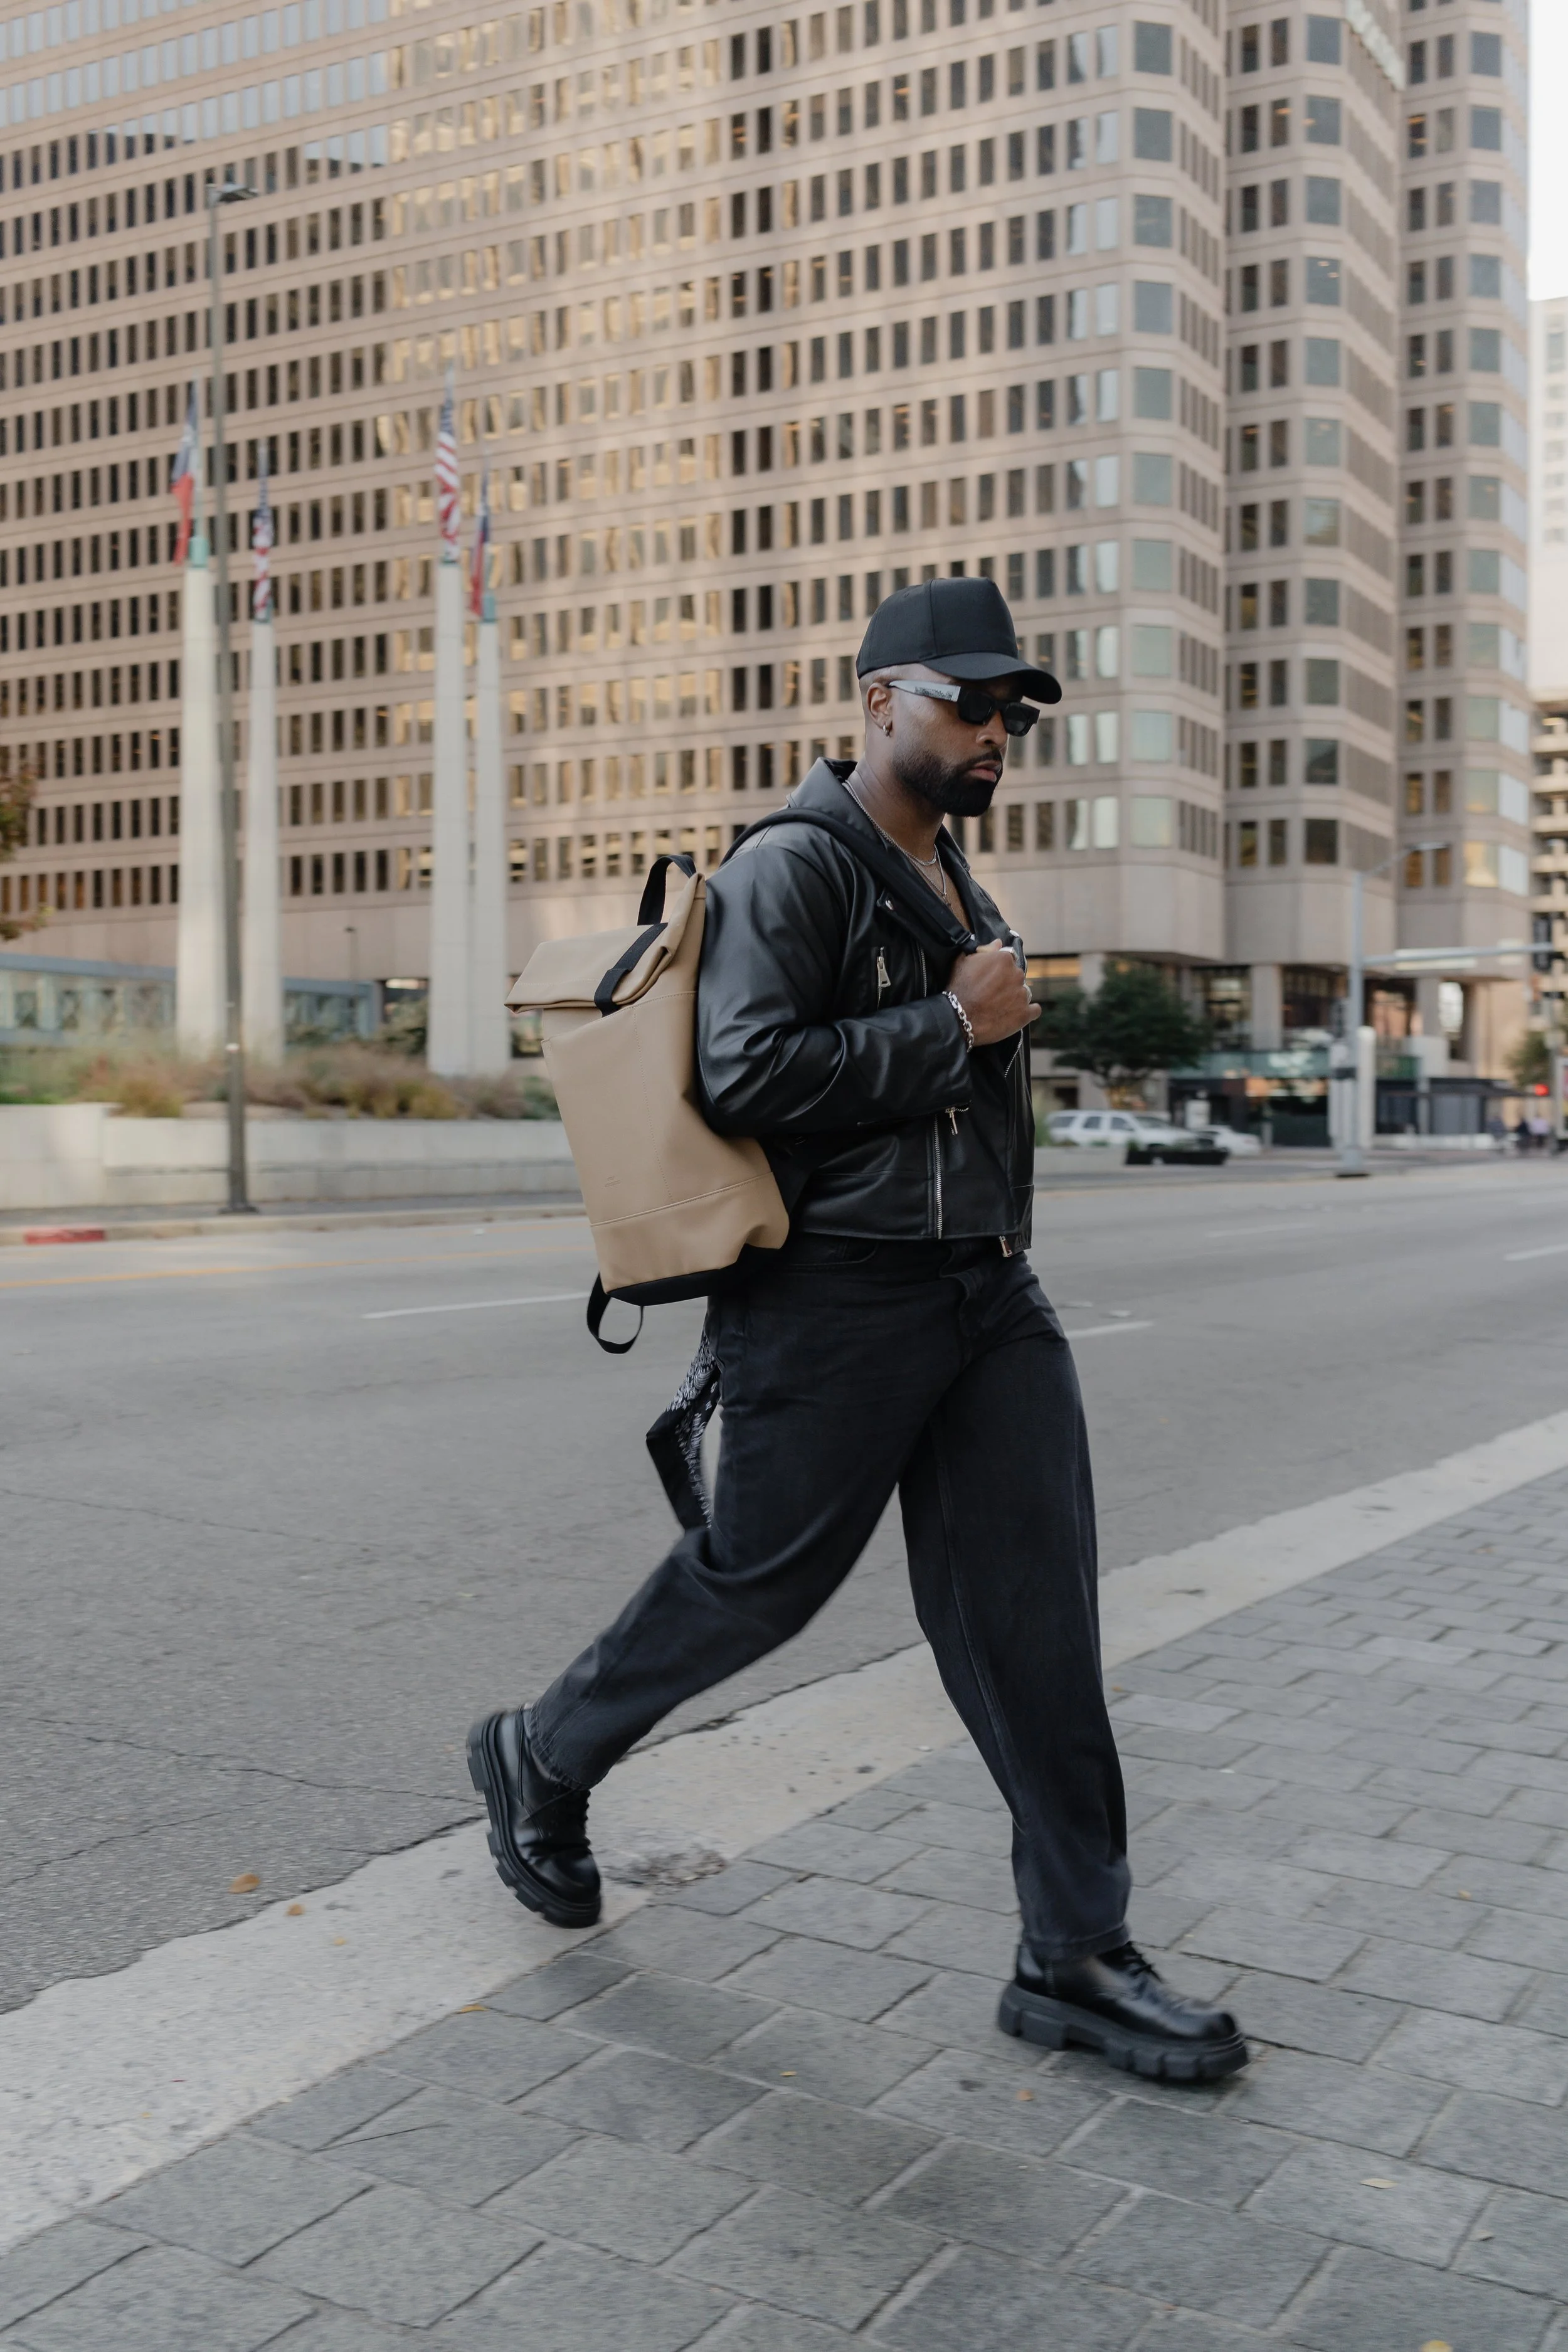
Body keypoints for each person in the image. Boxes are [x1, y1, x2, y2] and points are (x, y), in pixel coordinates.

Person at [469, 576, 1248, 2084]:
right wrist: (957, 1026)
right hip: (832, 1297)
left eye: (1011, 709)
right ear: (877, 699)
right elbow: (747, 1071)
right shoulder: (797, 868)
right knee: (756, 1584)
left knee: (1037, 1626)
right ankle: (542, 1755)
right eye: (966, 701)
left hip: (986, 1295)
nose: (994, 730)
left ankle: (1073, 1953)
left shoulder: (959, 878)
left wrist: (970, 1031)